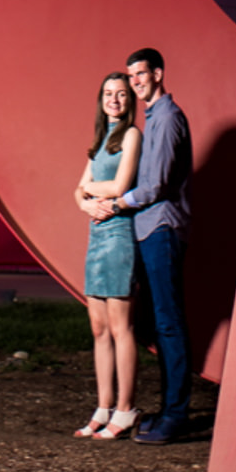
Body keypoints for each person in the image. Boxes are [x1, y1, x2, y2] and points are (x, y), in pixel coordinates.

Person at [89, 45, 197, 444]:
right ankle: (168, 411)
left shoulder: (166, 119)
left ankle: (175, 416)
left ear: (159, 73)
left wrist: (117, 202)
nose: (135, 81)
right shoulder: (153, 118)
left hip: (163, 227)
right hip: (150, 229)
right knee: (159, 323)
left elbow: (155, 186)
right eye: (130, 75)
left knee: (169, 323)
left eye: (141, 74)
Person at [68, 72, 143, 438]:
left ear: (130, 100)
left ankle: (126, 410)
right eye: (108, 94)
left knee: (120, 327)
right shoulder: (101, 140)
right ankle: (103, 406)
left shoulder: (132, 135)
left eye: (121, 94)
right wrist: (87, 204)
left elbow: (120, 186)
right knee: (98, 329)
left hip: (119, 236)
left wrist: (89, 193)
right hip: (96, 235)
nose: (114, 100)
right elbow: (76, 193)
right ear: (101, 100)